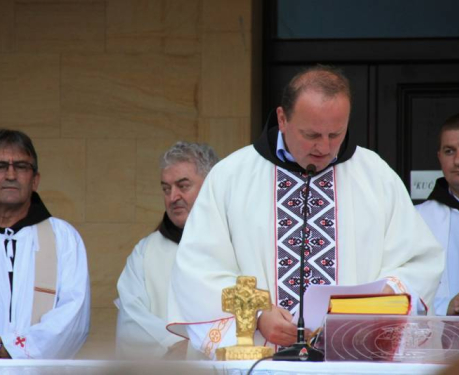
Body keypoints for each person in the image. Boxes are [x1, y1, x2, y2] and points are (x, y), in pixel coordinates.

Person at [167, 65, 444, 359]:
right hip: (262, 362)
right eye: (311, 134)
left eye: (335, 133)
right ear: (282, 119)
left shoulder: (375, 176)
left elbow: (419, 262)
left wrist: (383, 299)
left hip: (352, 361)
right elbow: (198, 270)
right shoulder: (231, 177)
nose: (324, 147)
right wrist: (257, 317)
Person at [0, 129, 90, 359]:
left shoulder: (64, 238)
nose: (11, 174)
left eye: (21, 166)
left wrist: (14, 349)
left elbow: (74, 316)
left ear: (35, 180)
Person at [116, 141, 218, 360]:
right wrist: (173, 345)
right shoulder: (145, 253)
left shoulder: (234, 244)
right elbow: (131, 318)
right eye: (166, 189)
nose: (173, 197)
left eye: (183, 186)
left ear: (211, 185)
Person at [416, 113, 459, 316]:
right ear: (439, 157)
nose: (457, 160)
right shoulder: (417, 219)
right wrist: (444, 308)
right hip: (438, 342)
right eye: (450, 151)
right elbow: (402, 286)